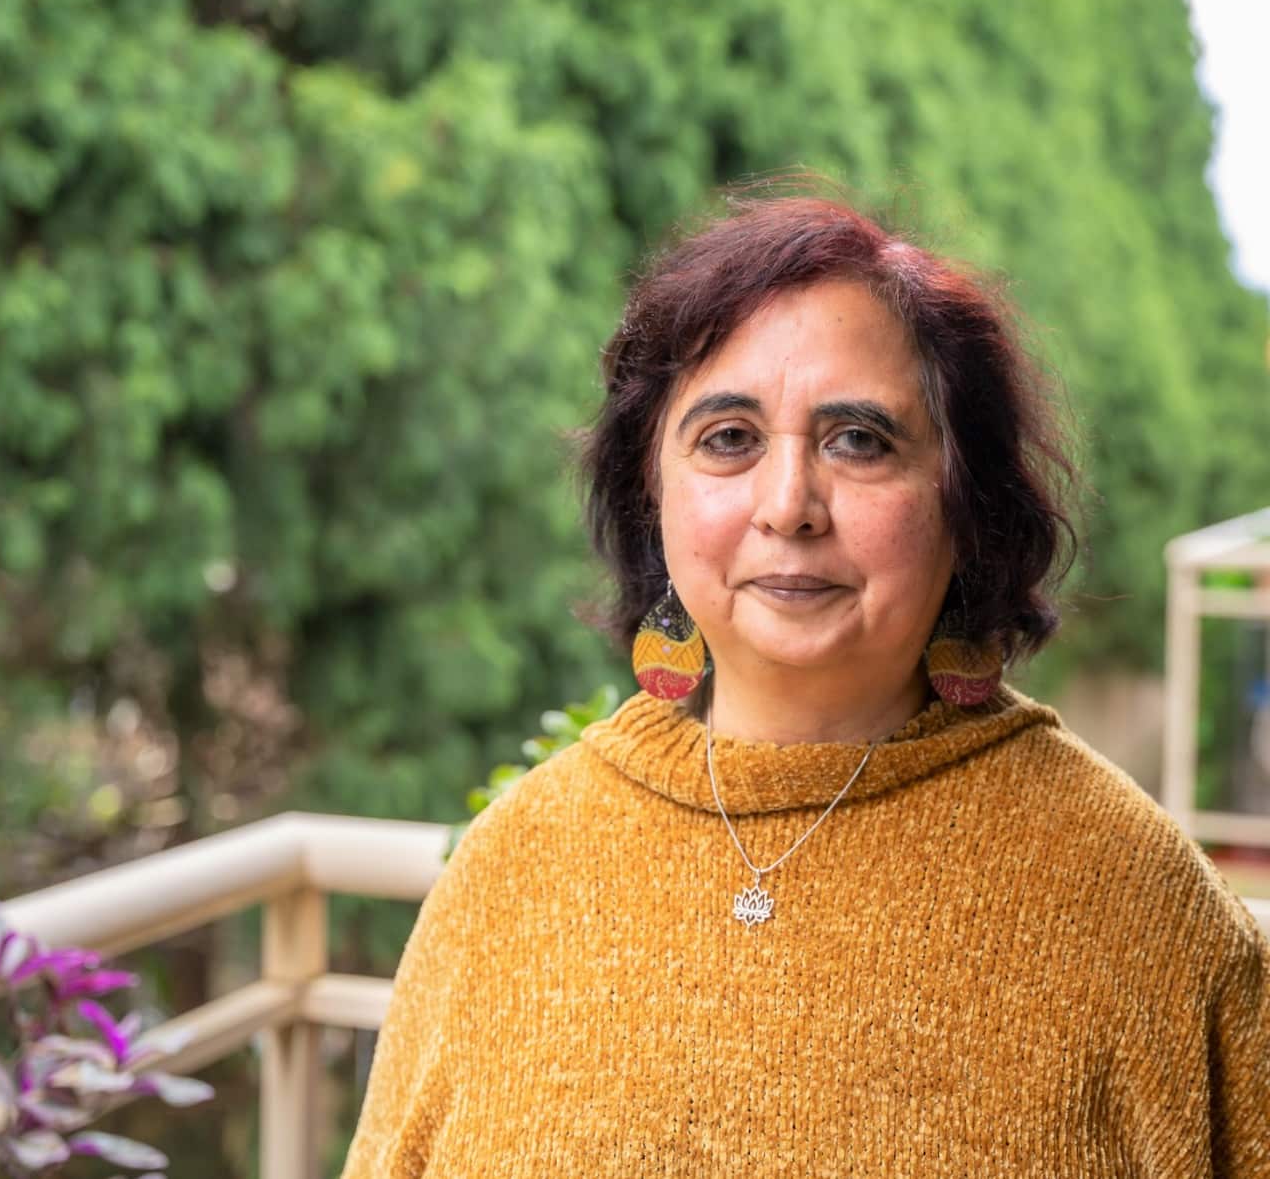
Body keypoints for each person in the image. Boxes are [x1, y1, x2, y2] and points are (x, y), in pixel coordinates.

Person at [341, 193, 1270, 1176]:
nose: (788, 506)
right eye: (727, 438)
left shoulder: (1134, 906)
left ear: (965, 502)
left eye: (858, 440)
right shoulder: (510, 874)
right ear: (652, 492)